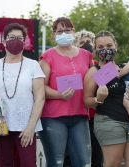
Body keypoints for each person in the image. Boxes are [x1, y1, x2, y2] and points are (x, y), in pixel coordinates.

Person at [0, 23, 45, 167]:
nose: (15, 41)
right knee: (4, 163)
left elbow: (40, 97)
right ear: (3, 41)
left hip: (26, 124)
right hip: (0, 123)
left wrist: (31, 126)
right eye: (11, 37)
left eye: (20, 38)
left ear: (24, 42)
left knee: (28, 164)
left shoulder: (33, 65)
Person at [83, 30, 129, 167]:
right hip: (109, 121)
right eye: (100, 47)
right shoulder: (94, 71)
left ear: (116, 46)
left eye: (109, 46)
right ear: (95, 50)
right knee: (113, 164)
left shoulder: (126, 67)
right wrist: (98, 99)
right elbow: (86, 100)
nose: (105, 50)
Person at [38, 17, 92, 167]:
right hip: (52, 117)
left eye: (67, 30)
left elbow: (94, 79)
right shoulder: (47, 56)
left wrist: (114, 71)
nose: (64, 33)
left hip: (79, 116)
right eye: (59, 31)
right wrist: (59, 95)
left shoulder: (86, 55)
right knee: (56, 163)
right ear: (53, 35)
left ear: (74, 32)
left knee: (84, 163)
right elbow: (39, 87)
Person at [63, 29, 103, 167]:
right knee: (70, 156)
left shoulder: (100, 65)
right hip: (74, 116)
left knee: (96, 156)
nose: (86, 44)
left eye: (89, 42)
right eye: (82, 42)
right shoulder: (70, 65)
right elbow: (64, 87)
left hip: (95, 117)